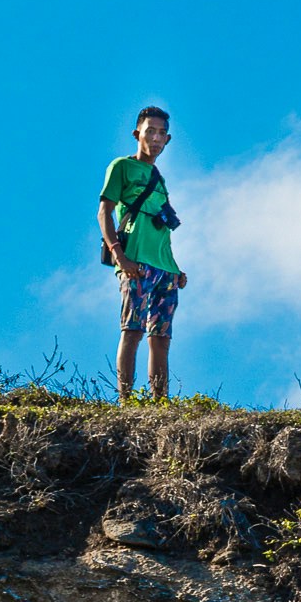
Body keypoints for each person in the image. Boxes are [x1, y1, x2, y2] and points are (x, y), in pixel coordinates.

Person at [99, 107, 186, 402]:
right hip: (134, 262)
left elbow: (162, 228)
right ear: (138, 134)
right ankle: (125, 401)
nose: (156, 137)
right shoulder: (122, 166)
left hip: (165, 267)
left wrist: (176, 269)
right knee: (132, 330)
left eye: (162, 133)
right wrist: (119, 256)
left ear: (168, 139)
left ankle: (159, 403)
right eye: (150, 131)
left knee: (161, 338)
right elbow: (104, 213)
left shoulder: (159, 179)